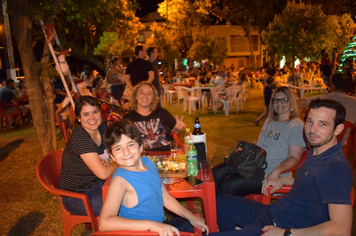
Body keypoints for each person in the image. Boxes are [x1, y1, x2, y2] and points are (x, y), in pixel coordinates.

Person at [211, 99, 352, 236]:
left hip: (281, 227)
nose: (312, 130)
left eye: (322, 124)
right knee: (217, 201)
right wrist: (284, 181)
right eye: (309, 121)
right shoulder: (318, 152)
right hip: (270, 213)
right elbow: (314, 185)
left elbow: (341, 228)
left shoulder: (335, 168)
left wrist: (287, 233)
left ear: (337, 129)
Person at [99, 119, 209, 234]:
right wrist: (151, 225)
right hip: (142, 232)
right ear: (112, 156)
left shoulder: (148, 163)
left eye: (130, 144)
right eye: (118, 148)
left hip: (159, 228)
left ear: (141, 147)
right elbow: (104, 222)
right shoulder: (120, 181)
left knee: (188, 224)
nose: (126, 152)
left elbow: (164, 196)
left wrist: (190, 216)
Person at [213, 86, 306, 196]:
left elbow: (294, 157)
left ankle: (227, 207)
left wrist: (276, 171)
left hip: (268, 172)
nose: (279, 103)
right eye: (276, 100)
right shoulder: (270, 120)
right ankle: (219, 207)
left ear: (291, 103)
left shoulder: (296, 126)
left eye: (284, 99)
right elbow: (260, 142)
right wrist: (238, 153)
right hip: (253, 164)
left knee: (228, 185)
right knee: (215, 173)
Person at [58, 96, 117, 216]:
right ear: (79, 118)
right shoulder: (80, 137)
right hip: (77, 195)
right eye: (86, 114)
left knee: (134, 189)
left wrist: (110, 164)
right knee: (123, 205)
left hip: (99, 184)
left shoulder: (102, 128)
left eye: (95, 112)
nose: (92, 117)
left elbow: (118, 151)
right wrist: (116, 164)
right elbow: (103, 173)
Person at [123, 82, 185, 151]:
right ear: (136, 96)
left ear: (153, 97)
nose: (145, 95)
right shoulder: (127, 119)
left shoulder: (162, 113)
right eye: (141, 92)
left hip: (167, 156)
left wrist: (178, 128)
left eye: (149, 93)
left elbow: (174, 129)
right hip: (142, 159)